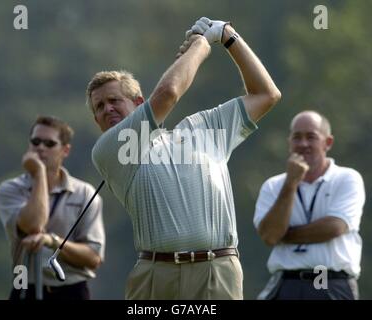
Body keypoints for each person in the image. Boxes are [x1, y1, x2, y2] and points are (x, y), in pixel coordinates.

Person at [87, 17, 281, 299]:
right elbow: (168, 93)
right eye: (99, 107)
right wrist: (202, 44)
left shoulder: (201, 128)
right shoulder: (110, 150)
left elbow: (266, 94)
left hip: (217, 269)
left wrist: (228, 37)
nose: (107, 109)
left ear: (139, 103)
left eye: (114, 100)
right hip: (156, 274)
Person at [254, 111, 365, 300]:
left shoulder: (347, 178)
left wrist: (285, 236)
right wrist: (290, 184)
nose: (303, 144)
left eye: (311, 137)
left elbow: (334, 227)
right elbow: (271, 235)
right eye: (297, 137)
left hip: (329, 281)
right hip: (286, 282)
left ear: (327, 143)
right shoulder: (274, 186)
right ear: (290, 142)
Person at [0, 116, 105, 300]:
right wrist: (39, 173)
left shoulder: (85, 193)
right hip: (24, 286)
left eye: (49, 143)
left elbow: (93, 257)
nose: (40, 147)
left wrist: (52, 241)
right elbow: (33, 224)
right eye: (36, 141)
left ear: (65, 150)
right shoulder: (11, 189)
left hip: (71, 289)